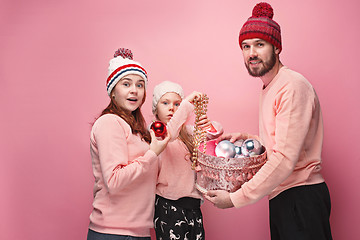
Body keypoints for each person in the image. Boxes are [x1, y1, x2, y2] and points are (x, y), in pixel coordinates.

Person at [205, 2, 332, 240]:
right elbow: (285, 144)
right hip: (283, 197)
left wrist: (235, 199)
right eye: (245, 46)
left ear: (276, 48)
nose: (251, 53)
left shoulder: (292, 86)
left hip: (300, 198)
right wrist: (251, 138)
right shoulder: (269, 87)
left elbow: (285, 158)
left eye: (259, 45)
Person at [87, 48, 170, 240]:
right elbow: (114, 182)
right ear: (113, 92)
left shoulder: (140, 132)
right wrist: (152, 153)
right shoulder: (109, 123)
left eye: (140, 85)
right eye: (126, 84)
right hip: (113, 233)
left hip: (139, 233)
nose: (134, 90)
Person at [152, 81, 223, 240]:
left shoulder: (187, 133)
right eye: (165, 103)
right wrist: (185, 104)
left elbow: (214, 134)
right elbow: (169, 134)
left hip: (193, 207)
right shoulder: (156, 132)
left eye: (177, 103)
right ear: (156, 108)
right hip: (168, 206)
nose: (172, 107)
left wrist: (209, 125)